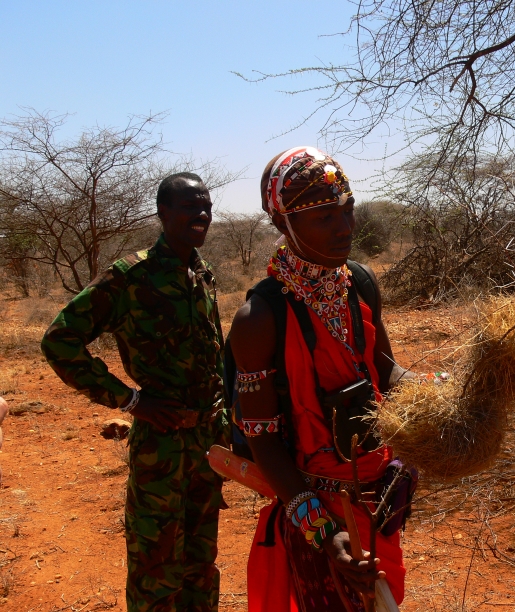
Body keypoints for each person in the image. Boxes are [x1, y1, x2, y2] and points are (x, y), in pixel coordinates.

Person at [229, 146, 411, 611]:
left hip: (377, 499)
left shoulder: (360, 284)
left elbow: (385, 372)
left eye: (347, 210)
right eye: (324, 217)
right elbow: (263, 439)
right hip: (314, 506)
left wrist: (450, 390)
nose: (344, 227)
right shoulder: (258, 319)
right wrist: (324, 533)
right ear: (282, 222)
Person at [41, 172, 229, 612]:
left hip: (207, 445)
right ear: (163, 212)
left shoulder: (202, 273)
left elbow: (213, 355)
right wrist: (128, 400)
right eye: (190, 206)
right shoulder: (131, 276)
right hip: (161, 446)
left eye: (206, 206)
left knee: (200, 565)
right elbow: (59, 340)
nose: (201, 214)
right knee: (155, 569)